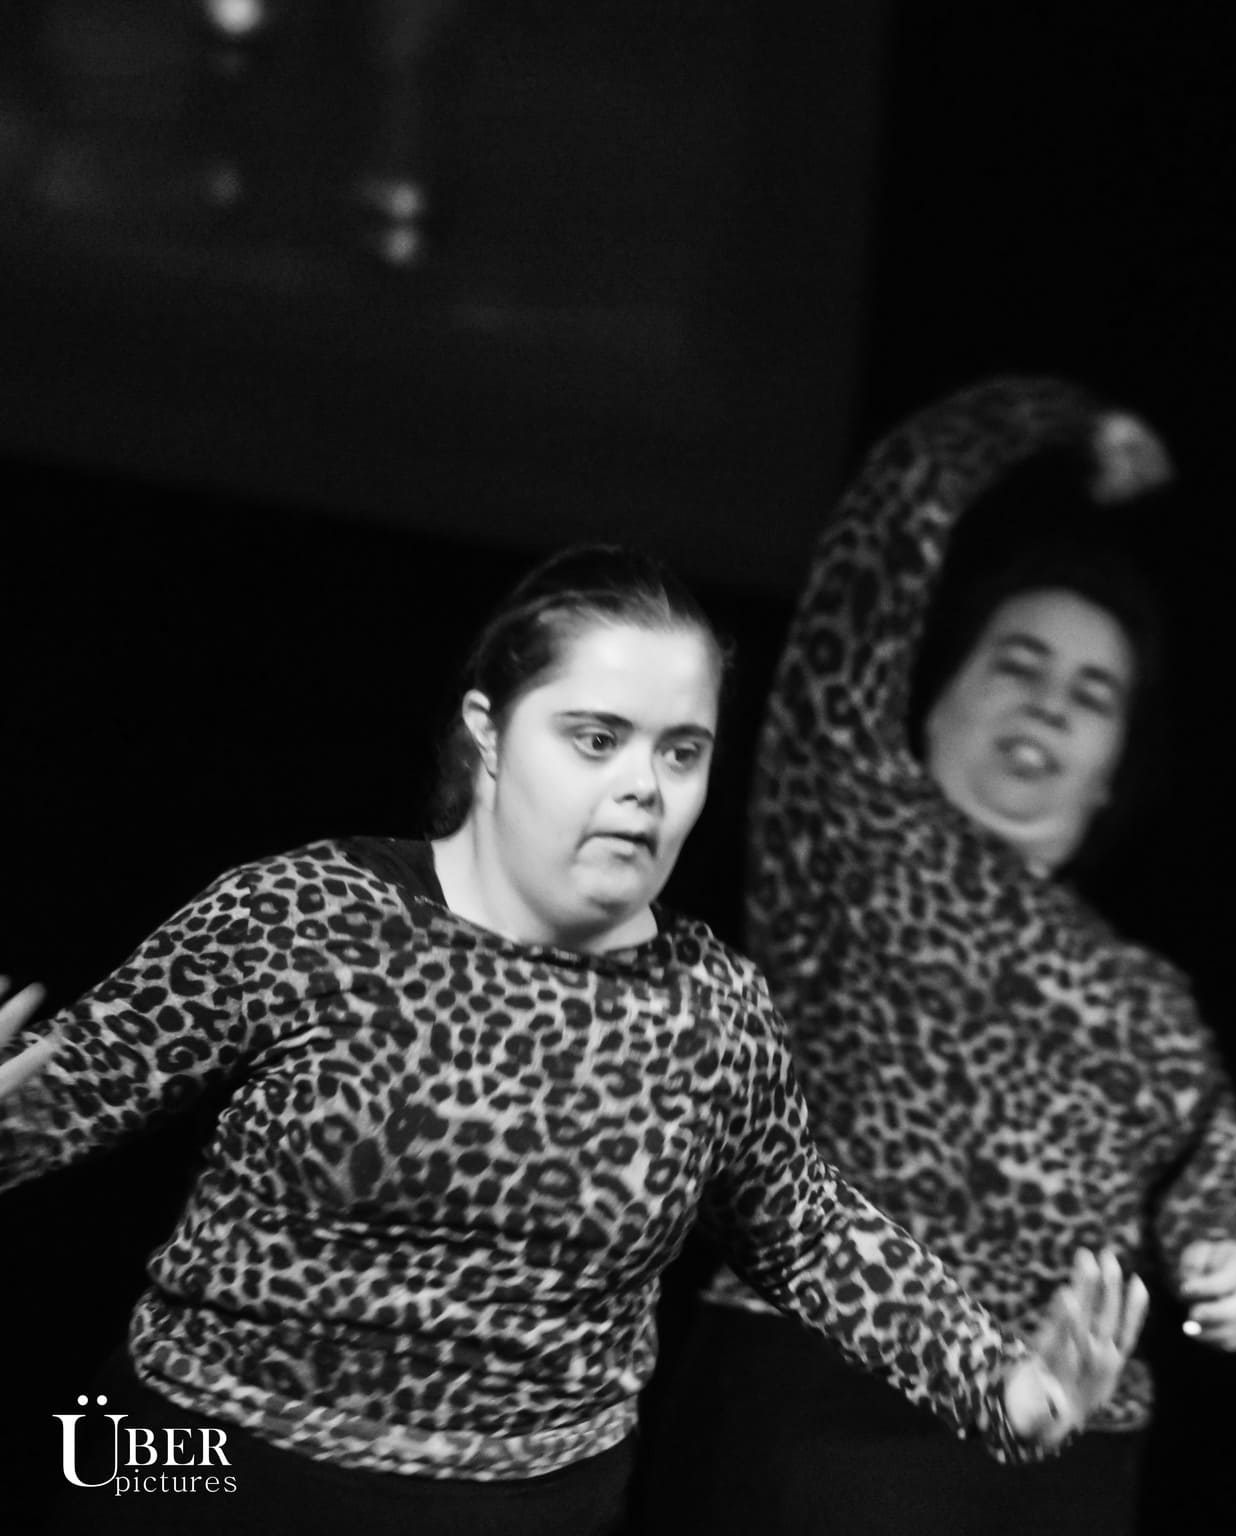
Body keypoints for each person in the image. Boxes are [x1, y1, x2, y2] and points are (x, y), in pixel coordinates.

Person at [0, 543, 1146, 1536]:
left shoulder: (711, 1008)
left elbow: (809, 1233)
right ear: (489, 733)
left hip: (522, 1509)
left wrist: (1001, 1387)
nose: (643, 787)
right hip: (205, 1472)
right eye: (596, 738)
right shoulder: (310, 915)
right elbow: (66, 1092)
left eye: (680, 752)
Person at [647, 378, 1236, 1535]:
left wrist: (1234, 1260)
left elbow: (1219, 1177)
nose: (1047, 706)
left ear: (1111, 772)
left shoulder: (1149, 995)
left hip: (1075, 1445)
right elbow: (879, 536)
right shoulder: (855, 829)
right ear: (935, 697)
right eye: (1016, 664)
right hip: (835, 1390)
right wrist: (1054, 424)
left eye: (1090, 695)